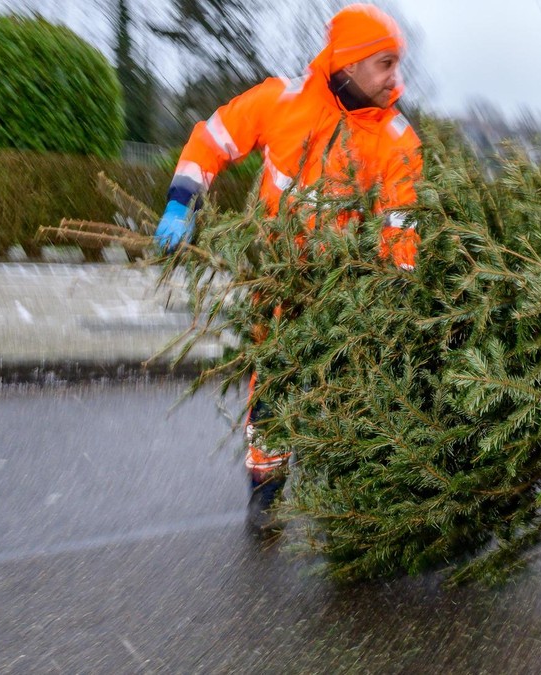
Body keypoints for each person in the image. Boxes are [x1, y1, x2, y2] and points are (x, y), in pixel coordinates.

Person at [153, 4, 423, 532]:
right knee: (272, 386)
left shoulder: (394, 140)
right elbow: (212, 139)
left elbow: (400, 227)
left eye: (396, 63)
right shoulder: (283, 101)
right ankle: (266, 489)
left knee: (349, 395)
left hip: (346, 296)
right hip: (279, 282)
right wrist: (181, 203)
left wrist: (397, 301)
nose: (397, 78)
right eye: (384, 63)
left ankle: (355, 501)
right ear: (347, 65)